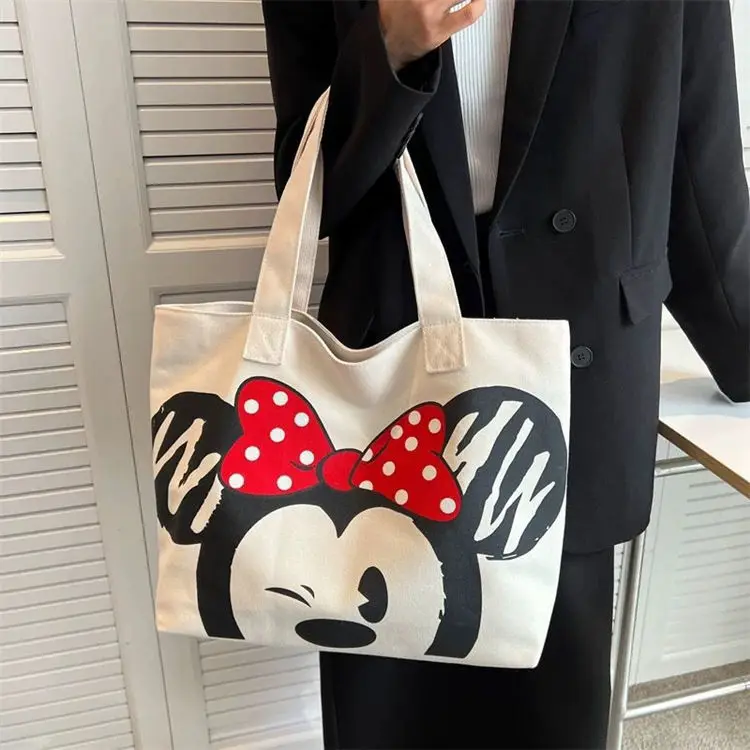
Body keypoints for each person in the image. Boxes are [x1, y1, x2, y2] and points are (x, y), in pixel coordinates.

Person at [261, 1, 750, 747]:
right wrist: (389, 48)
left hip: (575, 367)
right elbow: (309, 182)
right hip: (386, 380)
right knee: (385, 693)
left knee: (549, 706)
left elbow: (699, 159)